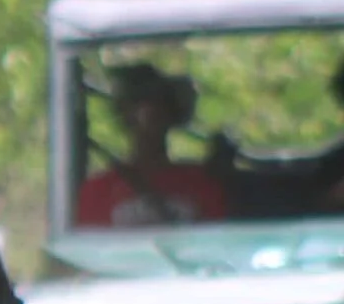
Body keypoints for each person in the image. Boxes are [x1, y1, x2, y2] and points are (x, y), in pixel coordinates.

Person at [74, 60, 230, 229]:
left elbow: (215, 243)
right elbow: (90, 248)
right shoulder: (99, 191)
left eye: (158, 105)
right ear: (124, 114)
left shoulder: (201, 185)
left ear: (172, 114)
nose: (148, 115)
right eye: (137, 105)